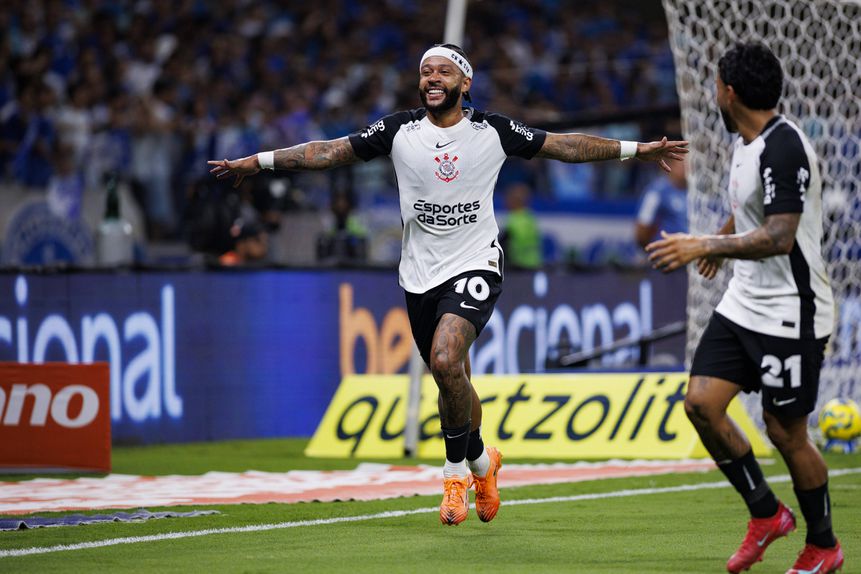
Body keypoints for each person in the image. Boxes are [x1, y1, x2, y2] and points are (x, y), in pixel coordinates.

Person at [210, 43, 687, 526]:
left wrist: (636, 150)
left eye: (443, 71)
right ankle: (482, 462)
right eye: (425, 71)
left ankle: (454, 476)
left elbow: (563, 146)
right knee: (452, 377)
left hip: (476, 263)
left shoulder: (492, 131)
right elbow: (329, 151)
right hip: (419, 274)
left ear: (465, 82)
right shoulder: (398, 130)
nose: (432, 78)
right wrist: (261, 161)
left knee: (444, 358)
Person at [646, 43, 842, 573]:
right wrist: (721, 236)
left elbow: (780, 235)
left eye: (714, 85)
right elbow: (752, 208)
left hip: (792, 310)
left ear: (729, 92)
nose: (712, 94)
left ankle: (824, 546)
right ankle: (766, 514)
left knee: (784, 431)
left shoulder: (784, 147)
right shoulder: (745, 140)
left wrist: (704, 245)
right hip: (744, 302)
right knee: (701, 404)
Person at [634, 155, 687, 249]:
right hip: (667, 252)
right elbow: (643, 227)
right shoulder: (656, 192)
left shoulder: (694, 192)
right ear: (671, 165)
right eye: (683, 165)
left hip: (689, 252)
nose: (688, 169)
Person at [500, 182, 543, 270]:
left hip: (518, 265)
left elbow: (503, 243)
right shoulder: (530, 217)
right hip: (534, 262)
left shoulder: (513, 219)